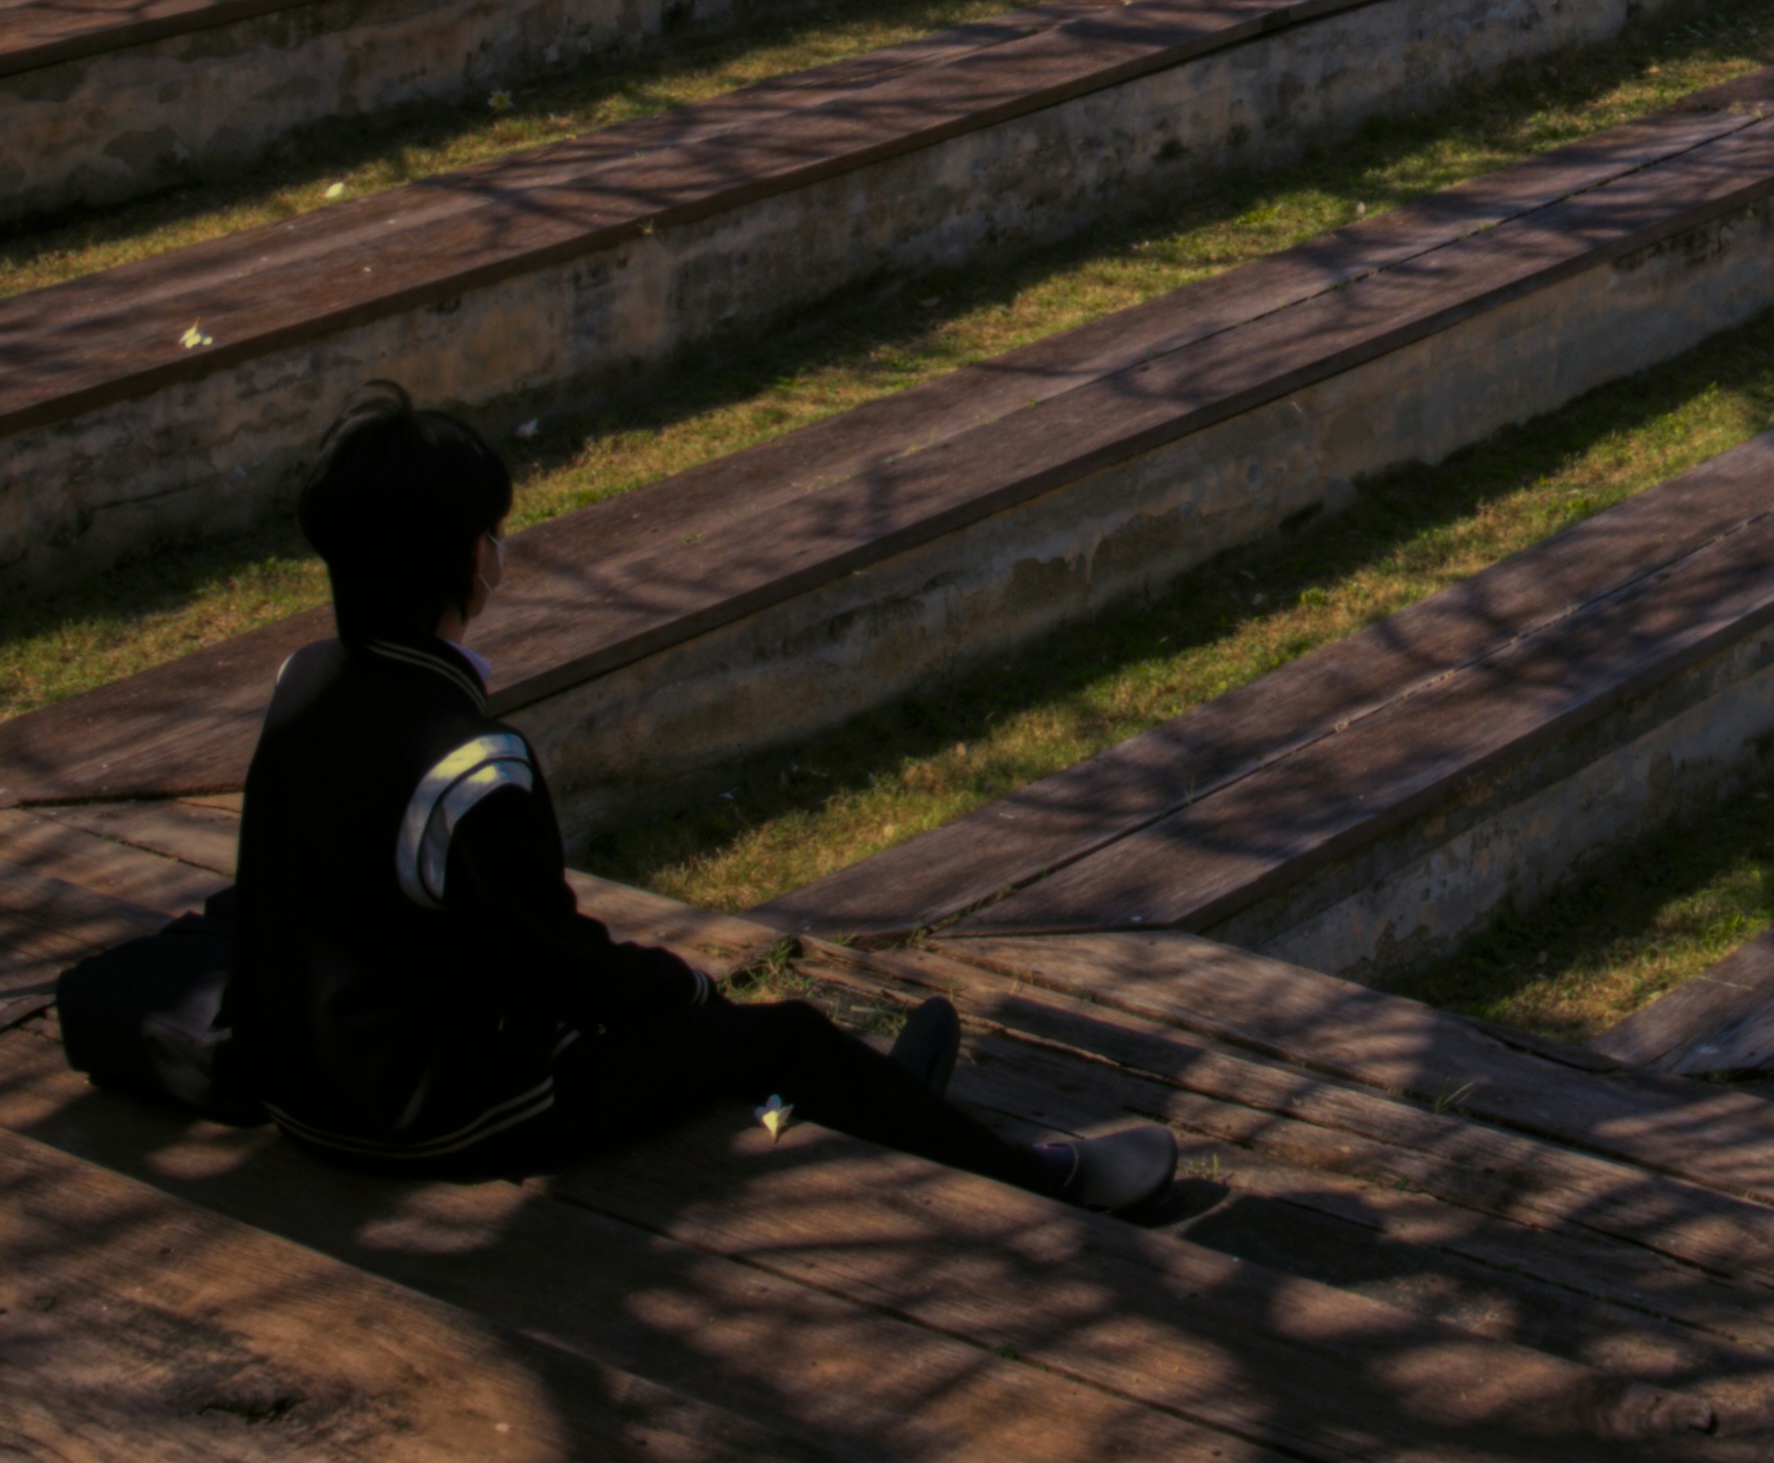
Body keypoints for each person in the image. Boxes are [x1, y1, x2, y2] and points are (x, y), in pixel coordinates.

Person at [226, 387, 1176, 1215]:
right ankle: (1029, 1173)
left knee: (723, 1049)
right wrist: (680, 985)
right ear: (468, 558)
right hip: (436, 1114)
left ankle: (868, 1103)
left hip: (304, 1085)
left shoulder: (301, 682)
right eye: (492, 534)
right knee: (777, 1037)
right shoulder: (473, 768)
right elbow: (560, 972)